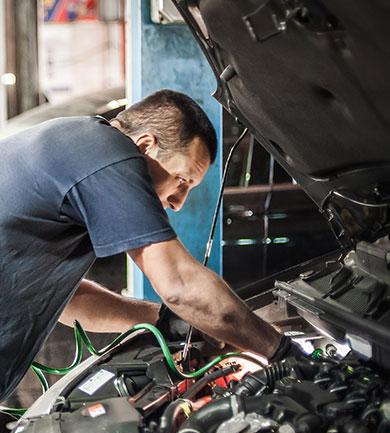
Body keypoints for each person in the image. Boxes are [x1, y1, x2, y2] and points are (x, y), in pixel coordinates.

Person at [0, 89, 286, 402]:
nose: (178, 202)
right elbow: (178, 285)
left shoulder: (75, 143)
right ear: (146, 145)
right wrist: (280, 351)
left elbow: (70, 300)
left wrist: (165, 321)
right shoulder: (108, 155)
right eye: (182, 180)